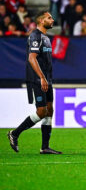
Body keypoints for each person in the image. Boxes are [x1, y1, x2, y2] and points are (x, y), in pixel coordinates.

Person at [7, 11, 62, 154]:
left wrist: (47, 78)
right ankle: (15, 133)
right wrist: (42, 77)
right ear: (40, 21)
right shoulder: (35, 36)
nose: (52, 20)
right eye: (49, 18)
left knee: (50, 110)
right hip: (38, 79)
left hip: (47, 79)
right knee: (41, 111)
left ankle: (45, 147)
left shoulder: (46, 38)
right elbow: (32, 58)